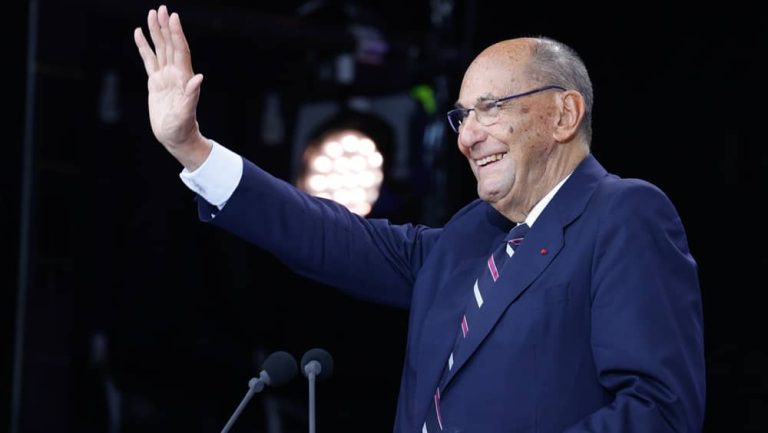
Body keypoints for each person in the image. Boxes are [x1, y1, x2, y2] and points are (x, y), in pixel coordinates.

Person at [133, 5, 705, 433]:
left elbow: (659, 412)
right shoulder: (466, 237)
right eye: (461, 116)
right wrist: (193, 149)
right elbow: (328, 237)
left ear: (563, 112)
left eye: (491, 109)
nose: (469, 136)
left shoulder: (623, 214)